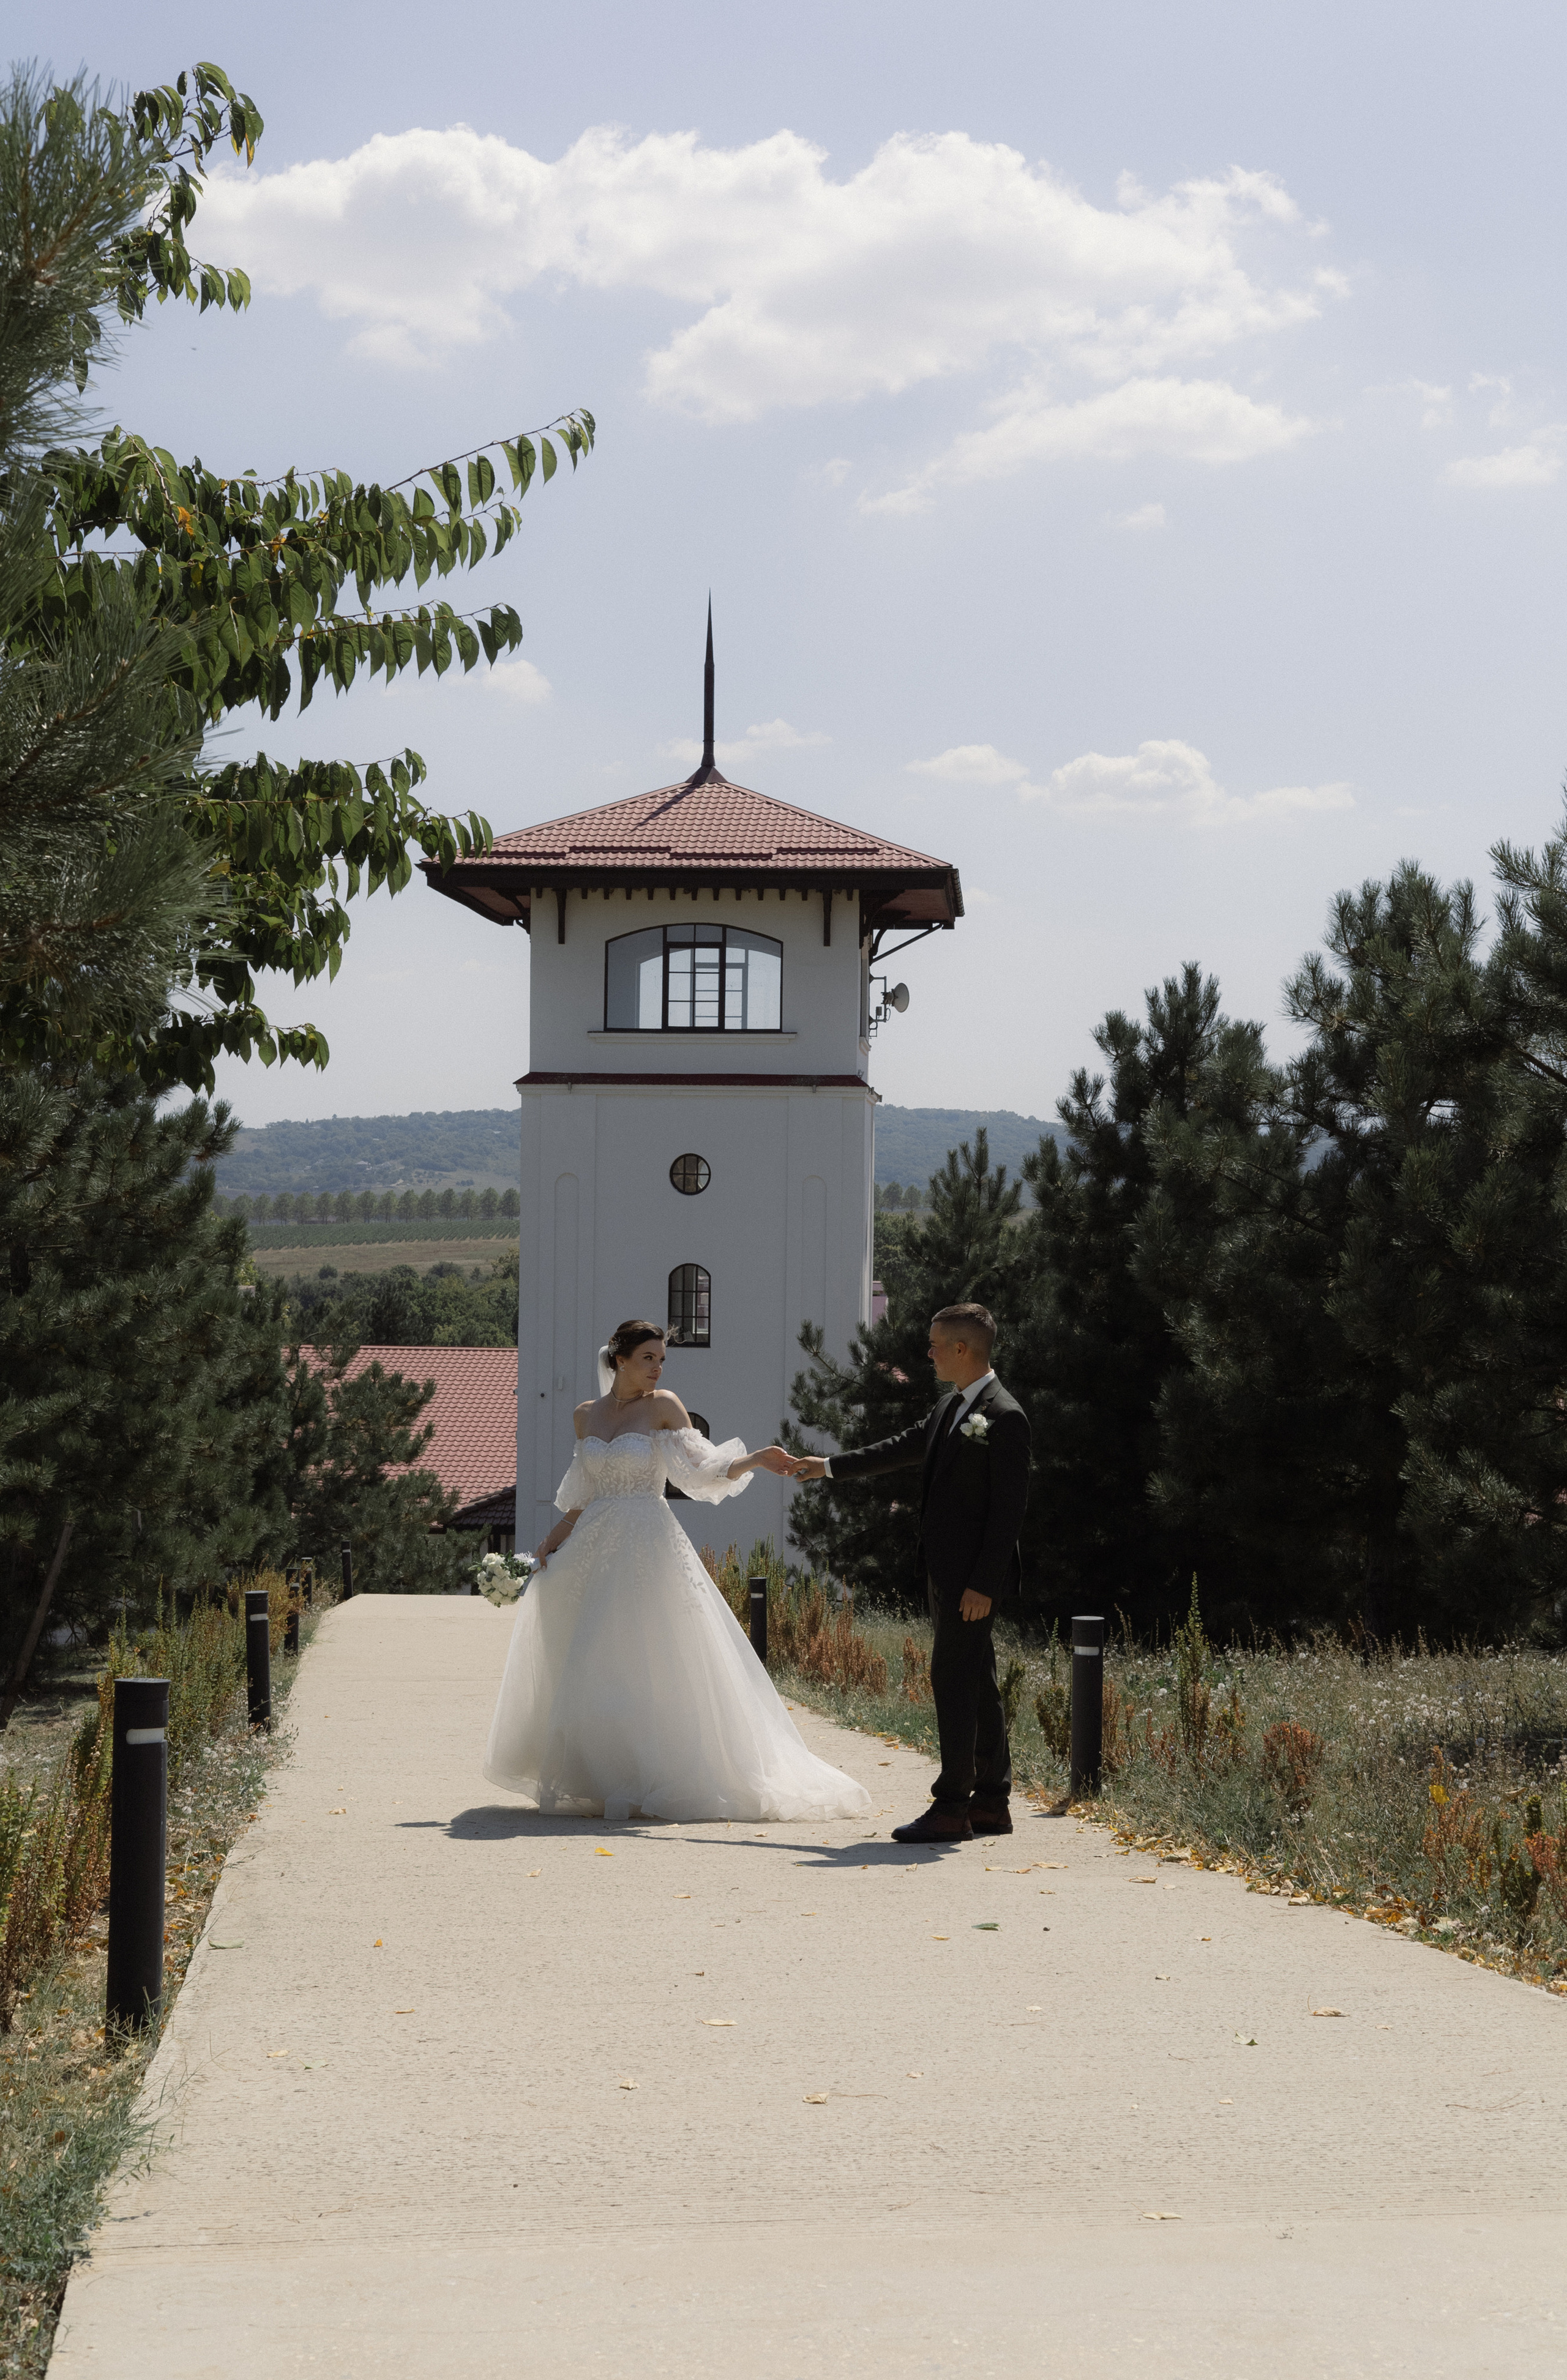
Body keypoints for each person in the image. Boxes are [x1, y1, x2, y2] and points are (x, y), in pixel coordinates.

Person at [483, 1319, 872, 1825]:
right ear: (619, 1358)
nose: (658, 1367)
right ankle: (603, 1774)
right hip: (595, 1543)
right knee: (594, 1654)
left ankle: (659, 1774)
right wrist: (544, 1548)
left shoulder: (664, 1406)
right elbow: (581, 1499)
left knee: (653, 1654)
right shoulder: (585, 1416)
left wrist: (753, 1459)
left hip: (649, 1541)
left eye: (662, 1359)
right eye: (649, 1357)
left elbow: (703, 1470)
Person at [792, 1303, 1030, 1844]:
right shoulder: (952, 1406)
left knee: (953, 1681)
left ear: (962, 1349)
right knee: (978, 1682)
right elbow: (900, 1448)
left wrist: (983, 1584)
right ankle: (992, 1802)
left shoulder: (1005, 1415)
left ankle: (951, 1807)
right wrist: (826, 1466)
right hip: (946, 1574)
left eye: (935, 1344)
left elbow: (1008, 1513)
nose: (929, 1352)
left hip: (972, 1581)